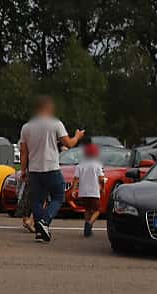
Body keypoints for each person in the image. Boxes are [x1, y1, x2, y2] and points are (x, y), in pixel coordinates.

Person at [18, 95, 83, 243]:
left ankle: (40, 232)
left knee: (37, 200)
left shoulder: (26, 127)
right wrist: (78, 136)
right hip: (51, 167)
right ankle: (45, 221)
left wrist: (23, 170)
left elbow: (23, 152)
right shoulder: (55, 124)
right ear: (48, 107)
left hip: (34, 169)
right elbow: (70, 144)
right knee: (59, 196)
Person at [76, 139, 104, 238]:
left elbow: (76, 178)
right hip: (94, 192)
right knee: (98, 210)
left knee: (87, 209)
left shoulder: (80, 165)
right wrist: (103, 188)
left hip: (83, 192)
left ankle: (87, 228)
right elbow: (101, 179)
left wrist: (75, 190)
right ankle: (89, 224)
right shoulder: (97, 165)